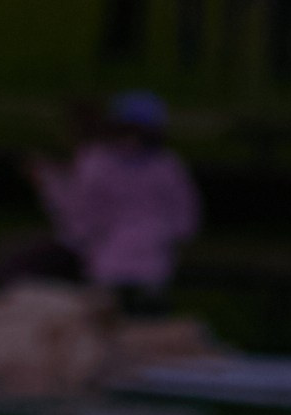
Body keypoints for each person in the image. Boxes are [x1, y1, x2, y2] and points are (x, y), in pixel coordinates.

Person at [17, 92, 202, 311]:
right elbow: (185, 223)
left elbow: (78, 225)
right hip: (135, 271)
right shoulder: (166, 165)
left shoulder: (157, 166)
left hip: (123, 270)